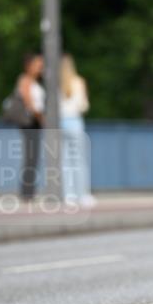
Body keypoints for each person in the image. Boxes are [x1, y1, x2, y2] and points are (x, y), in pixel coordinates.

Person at [60, 54, 95, 207]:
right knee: (79, 160)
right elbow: (83, 106)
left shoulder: (56, 84)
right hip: (75, 123)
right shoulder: (79, 82)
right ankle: (83, 195)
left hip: (60, 124)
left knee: (65, 162)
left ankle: (69, 196)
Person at [16, 52, 45, 201]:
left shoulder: (36, 82)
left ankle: (29, 190)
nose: (41, 68)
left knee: (33, 157)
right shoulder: (25, 80)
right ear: (29, 65)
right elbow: (29, 104)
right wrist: (43, 119)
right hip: (30, 123)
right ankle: (27, 192)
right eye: (38, 65)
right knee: (30, 157)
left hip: (35, 123)